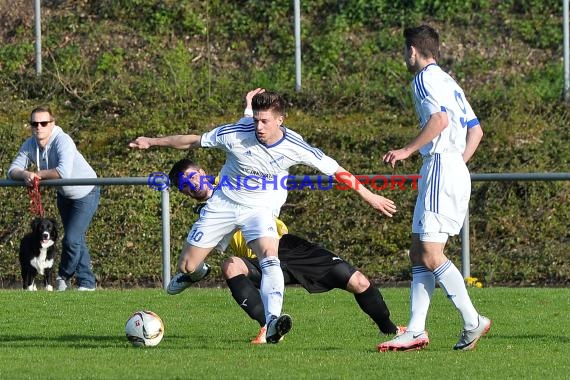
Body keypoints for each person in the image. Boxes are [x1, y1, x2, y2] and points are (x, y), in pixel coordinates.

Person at [129, 89, 397, 344]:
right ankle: (196, 273)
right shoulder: (236, 133)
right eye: (256, 120)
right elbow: (192, 140)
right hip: (223, 203)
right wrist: (151, 142)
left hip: (258, 210)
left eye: (265, 121)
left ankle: (271, 322)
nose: (258, 127)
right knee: (187, 266)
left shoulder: (295, 145)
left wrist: (370, 195)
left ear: (280, 120)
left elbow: (336, 170)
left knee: (270, 256)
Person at [167, 158, 405, 344]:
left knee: (359, 282)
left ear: (201, 171)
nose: (191, 185)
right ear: (184, 193)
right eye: (184, 186)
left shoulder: (230, 178)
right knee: (230, 265)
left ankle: (390, 329)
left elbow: (246, 149)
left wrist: (250, 111)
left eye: (191, 177)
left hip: (288, 247)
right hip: (256, 260)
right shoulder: (206, 215)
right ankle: (269, 326)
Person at [378, 25, 490, 352]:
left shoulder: (424, 79)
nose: (404, 56)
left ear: (413, 50)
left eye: (404, 51)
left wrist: (407, 150)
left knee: (430, 254)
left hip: (441, 165)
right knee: (418, 251)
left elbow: (438, 120)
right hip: (450, 166)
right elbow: (476, 131)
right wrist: (457, 164)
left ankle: (472, 320)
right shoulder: (448, 80)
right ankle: (415, 330)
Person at [8, 106, 100, 291]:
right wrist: (25, 174)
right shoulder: (30, 144)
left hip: (86, 192)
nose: (39, 127)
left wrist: (38, 174)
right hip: (64, 195)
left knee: (72, 240)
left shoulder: (63, 141)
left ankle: (62, 276)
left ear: (53, 124)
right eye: (35, 123)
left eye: (44, 123)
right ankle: (87, 283)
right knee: (77, 239)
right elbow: (12, 170)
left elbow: (63, 172)